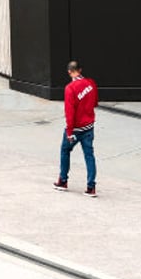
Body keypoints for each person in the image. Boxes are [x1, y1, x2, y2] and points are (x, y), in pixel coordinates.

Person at [53, 61, 99, 197]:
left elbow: (69, 112)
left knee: (65, 150)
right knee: (89, 156)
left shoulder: (70, 88)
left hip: (75, 129)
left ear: (69, 72)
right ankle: (91, 187)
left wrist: (69, 131)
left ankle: (63, 181)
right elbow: (95, 102)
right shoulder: (91, 83)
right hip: (89, 127)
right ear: (80, 70)